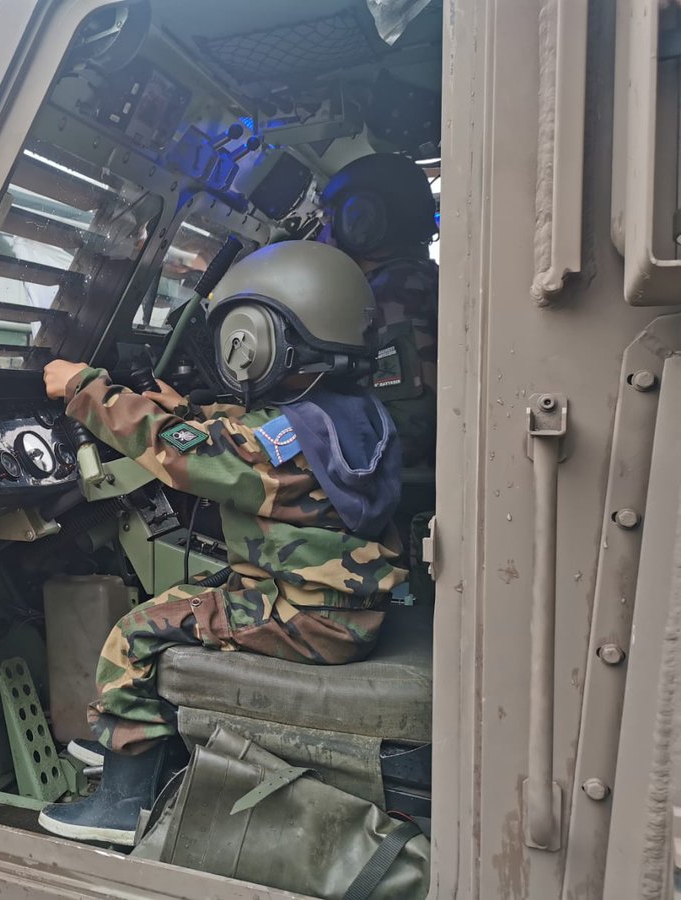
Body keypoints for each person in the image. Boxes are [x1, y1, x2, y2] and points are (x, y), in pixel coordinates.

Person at [36, 240, 408, 846]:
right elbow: (248, 436)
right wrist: (190, 409)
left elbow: (189, 458)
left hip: (306, 619)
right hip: (339, 599)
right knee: (189, 592)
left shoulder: (268, 445)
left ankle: (123, 805)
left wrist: (87, 389)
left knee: (135, 633)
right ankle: (133, 737)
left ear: (256, 339)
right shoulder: (349, 412)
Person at [318, 153, 439, 469]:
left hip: (399, 495)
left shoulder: (393, 293)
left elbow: (407, 428)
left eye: (328, 220)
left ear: (362, 222)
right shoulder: (421, 279)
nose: (323, 234)